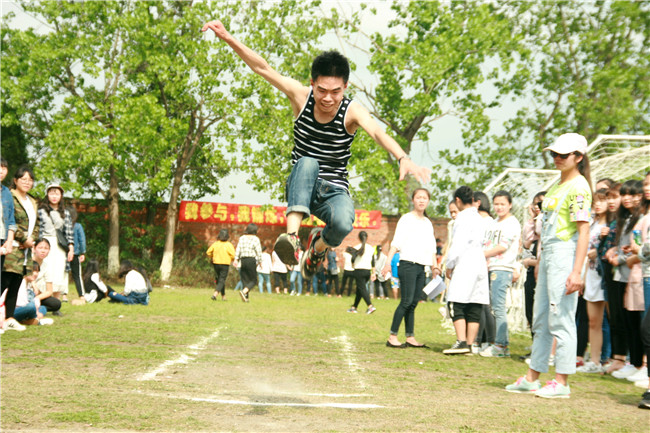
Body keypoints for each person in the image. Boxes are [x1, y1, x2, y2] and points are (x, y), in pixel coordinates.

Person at [201, 20, 431, 283]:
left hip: (333, 189)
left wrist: (402, 156)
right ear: (312, 84)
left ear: (345, 88)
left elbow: (377, 131)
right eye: (321, 90)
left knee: (345, 224)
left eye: (335, 92)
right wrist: (228, 37)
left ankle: (316, 250)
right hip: (303, 182)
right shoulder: (300, 96)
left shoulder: (352, 111)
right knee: (309, 162)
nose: (328, 98)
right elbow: (262, 68)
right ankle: (291, 237)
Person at [506, 133, 592, 398]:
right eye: (555, 154)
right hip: (548, 255)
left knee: (562, 317)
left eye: (563, 155)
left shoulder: (579, 187)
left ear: (578, 157)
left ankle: (562, 382)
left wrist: (576, 271)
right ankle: (533, 376)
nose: (557, 159)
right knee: (541, 316)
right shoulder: (556, 185)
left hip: (566, 254)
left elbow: (583, 230)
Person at [384, 188, 438, 348]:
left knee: (414, 302)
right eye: (418, 197)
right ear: (413, 200)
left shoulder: (427, 223)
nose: (421, 200)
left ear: (428, 201)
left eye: (424, 198)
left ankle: (410, 337)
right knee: (406, 301)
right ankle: (392, 336)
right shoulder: (406, 219)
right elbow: (396, 242)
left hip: (421, 267)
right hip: (407, 264)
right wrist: (387, 263)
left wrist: (435, 267)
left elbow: (432, 247)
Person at [606, 180, 645, 380]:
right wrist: (615, 252)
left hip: (634, 273)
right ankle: (634, 361)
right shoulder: (625, 218)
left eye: (632, 194)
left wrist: (618, 257)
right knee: (625, 319)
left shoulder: (641, 218)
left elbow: (638, 249)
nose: (627, 198)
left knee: (639, 321)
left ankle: (639, 362)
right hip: (621, 273)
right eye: (625, 194)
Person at [442, 186, 489, 355]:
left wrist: (449, 264)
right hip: (479, 262)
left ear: (458, 201)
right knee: (474, 304)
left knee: (456, 302)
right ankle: (470, 344)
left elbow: (458, 244)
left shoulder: (462, 218)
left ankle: (461, 341)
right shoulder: (479, 218)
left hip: (465, 263)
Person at [480, 190, 521, 358]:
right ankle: (498, 343)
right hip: (490, 267)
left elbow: (503, 246)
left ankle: (501, 345)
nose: (499, 207)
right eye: (496, 204)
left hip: (503, 267)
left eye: (502, 204)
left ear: (510, 205)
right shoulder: (493, 222)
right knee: (492, 307)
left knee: (498, 307)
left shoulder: (512, 223)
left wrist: (480, 255)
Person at [2, 166, 39, 331]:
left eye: (30, 180)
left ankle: (9, 318)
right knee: (4, 282)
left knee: (16, 285)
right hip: (12, 247)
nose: (27, 182)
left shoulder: (32, 201)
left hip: (25, 251)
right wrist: (24, 239)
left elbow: (36, 225)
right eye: (23, 179)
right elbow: (10, 220)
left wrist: (32, 240)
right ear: (15, 180)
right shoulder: (10, 196)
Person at [576, 189, 609, 373]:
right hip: (591, 274)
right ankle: (595, 360)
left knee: (609, 319)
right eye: (595, 201)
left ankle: (611, 358)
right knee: (593, 320)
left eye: (602, 201)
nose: (598, 204)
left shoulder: (611, 225)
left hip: (605, 276)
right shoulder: (592, 223)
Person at [37, 183, 74, 301]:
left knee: (58, 272)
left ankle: (56, 302)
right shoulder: (41, 211)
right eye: (51, 193)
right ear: (47, 195)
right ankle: (41, 300)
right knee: (44, 271)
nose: (54, 196)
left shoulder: (66, 213)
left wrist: (71, 248)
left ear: (61, 196)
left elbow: (69, 232)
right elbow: (38, 229)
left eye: (57, 193)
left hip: (59, 245)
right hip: (44, 243)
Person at [347, 231, 376, 314]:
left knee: (362, 289)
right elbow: (373, 261)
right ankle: (354, 307)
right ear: (367, 238)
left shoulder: (356, 247)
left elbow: (353, 258)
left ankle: (370, 306)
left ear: (358, 238)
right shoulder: (371, 248)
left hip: (359, 270)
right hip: (367, 271)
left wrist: (352, 264)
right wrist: (373, 273)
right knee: (359, 290)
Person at [31, 238, 62, 315]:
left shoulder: (47, 267)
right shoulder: (27, 262)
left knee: (56, 304)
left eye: (46, 248)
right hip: (23, 294)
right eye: (40, 248)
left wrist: (37, 298)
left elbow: (49, 291)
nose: (43, 251)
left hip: (36, 295)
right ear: (34, 248)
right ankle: (34, 309)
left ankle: (37, 308)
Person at [235, 223, 262, 302]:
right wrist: (260, 261)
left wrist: (236, 259)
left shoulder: (242, 238)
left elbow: (238, 249)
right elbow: (258, 251)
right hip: (251, 260)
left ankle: (245, 298)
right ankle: (244, 292)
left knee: (245, 280)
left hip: (243, 260)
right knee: (254, 280)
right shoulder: (255, 239)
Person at [207, 229, 236, 301]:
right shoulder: (229, 245)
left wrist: (213, 256)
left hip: (216, 263)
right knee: (222, 280)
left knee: (219, 280)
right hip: (225, 264)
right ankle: (215, 294)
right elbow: (233, 255)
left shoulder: (216, 244)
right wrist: (230, 258)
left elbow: (208, 252)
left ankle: (223, 296)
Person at [0, 157, 16, 273]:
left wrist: (9, 241)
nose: (1, 171)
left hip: (2, 240)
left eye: (4, 168)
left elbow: (11, 220)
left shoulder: (6, 193)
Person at [69, 206, 87, 300]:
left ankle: (64, 295)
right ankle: (81, 295)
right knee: (77, 276)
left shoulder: (62, 226)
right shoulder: (78, 226)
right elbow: (82, 240)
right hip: (75, 254)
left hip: (64, 253)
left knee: (63, 274)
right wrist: (83, 252)